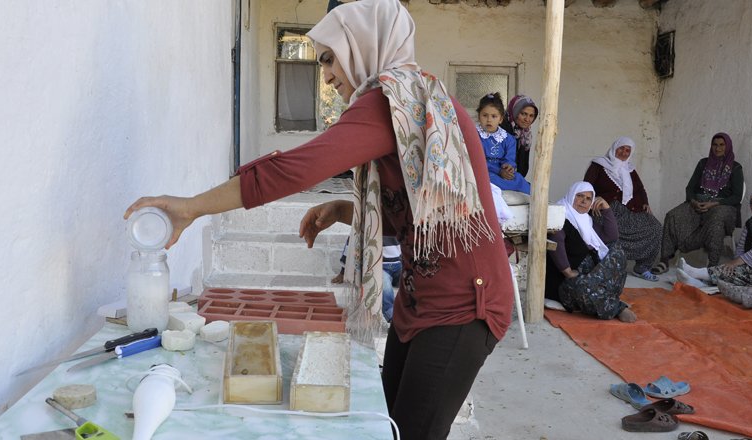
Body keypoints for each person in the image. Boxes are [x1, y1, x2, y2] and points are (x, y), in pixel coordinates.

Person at [125, 1, 514, 438]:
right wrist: (345, 211)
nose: (326, 76)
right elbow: (420, 212)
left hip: (463, 306)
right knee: (388, 427)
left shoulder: (392, 100)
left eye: (330, 59)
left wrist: (191, 207)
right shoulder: (415, 97)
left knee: (411, 432)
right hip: (422, 298)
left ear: (364, 47)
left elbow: (294, 169)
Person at [545, 181, 636, 323]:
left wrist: (606, 209)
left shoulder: (587, 220)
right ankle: (616, 307)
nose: (583, 201)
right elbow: (556, 242)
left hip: (591, 274)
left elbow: (611, 236)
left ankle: (604, 296)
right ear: (571, 195)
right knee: (584, 289)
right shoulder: (561, 215)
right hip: (566, 280)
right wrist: (567, 271)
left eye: (588, 198)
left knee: (616, 250)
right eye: (579, 196)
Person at [653, 132, 744, 273]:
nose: (717, 148)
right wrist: (693, 201)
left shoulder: (736, 168)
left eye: (721, 145)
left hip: (723, 206)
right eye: (715, 145)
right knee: (673, 215)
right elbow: (690, 188)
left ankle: (712, 266)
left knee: (716, 219)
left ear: (728, 146)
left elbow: (737, 197)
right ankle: (664, 260)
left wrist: (713, 204)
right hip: (699, 203)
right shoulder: (703, 164)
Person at [584, 136, 663, 281]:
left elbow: (640, 189)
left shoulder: (630, 169)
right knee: (610, 232)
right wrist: (593, 199)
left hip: (629, 210)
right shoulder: (599, 165)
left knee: (655, 227)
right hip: (605, 210)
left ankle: (642, 267)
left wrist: (645, 202)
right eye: (622, 148)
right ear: (615, 148)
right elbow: (586, 186)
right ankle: (609, 266)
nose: (624, 153)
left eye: (628, 150)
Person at [333, 236, 402, 322]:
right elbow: (351, 245)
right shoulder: (369, 224)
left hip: (400, 265)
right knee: (385, 288)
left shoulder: (397, 226)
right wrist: (343, 272)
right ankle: (393, 318)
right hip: (380, 267)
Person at [476, 92, 531, 194]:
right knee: (488, 180)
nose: (489, 120)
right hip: (484, 171)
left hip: (502, 172)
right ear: (479, 116)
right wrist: (498, 171)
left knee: (519, 180)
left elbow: (510, 159)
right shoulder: (475, 136)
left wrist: (508, 167)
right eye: (485, 115)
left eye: (494, 116)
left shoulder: (508, 138)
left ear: (501, 119)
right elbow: (476, 160)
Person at [502, 94, 538, 178]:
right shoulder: (501, 129)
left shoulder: (526, 135)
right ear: (515, 111)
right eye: (523, 114)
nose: (527, 119)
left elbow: (523, 168)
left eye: (531, 116)